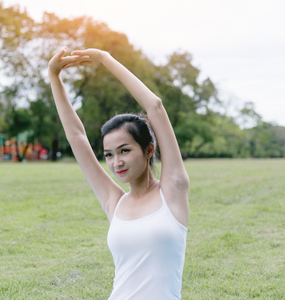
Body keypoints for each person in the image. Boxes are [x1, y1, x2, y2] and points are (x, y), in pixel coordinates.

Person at [48, 47, 190, 300]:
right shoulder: (115, 202)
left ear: (149, 150)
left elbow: (155, 107)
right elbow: (77, 137)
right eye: (109, 154)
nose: (116, 162)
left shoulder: (172, 190)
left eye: (124, 150)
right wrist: (54, 76)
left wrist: (105, 59)